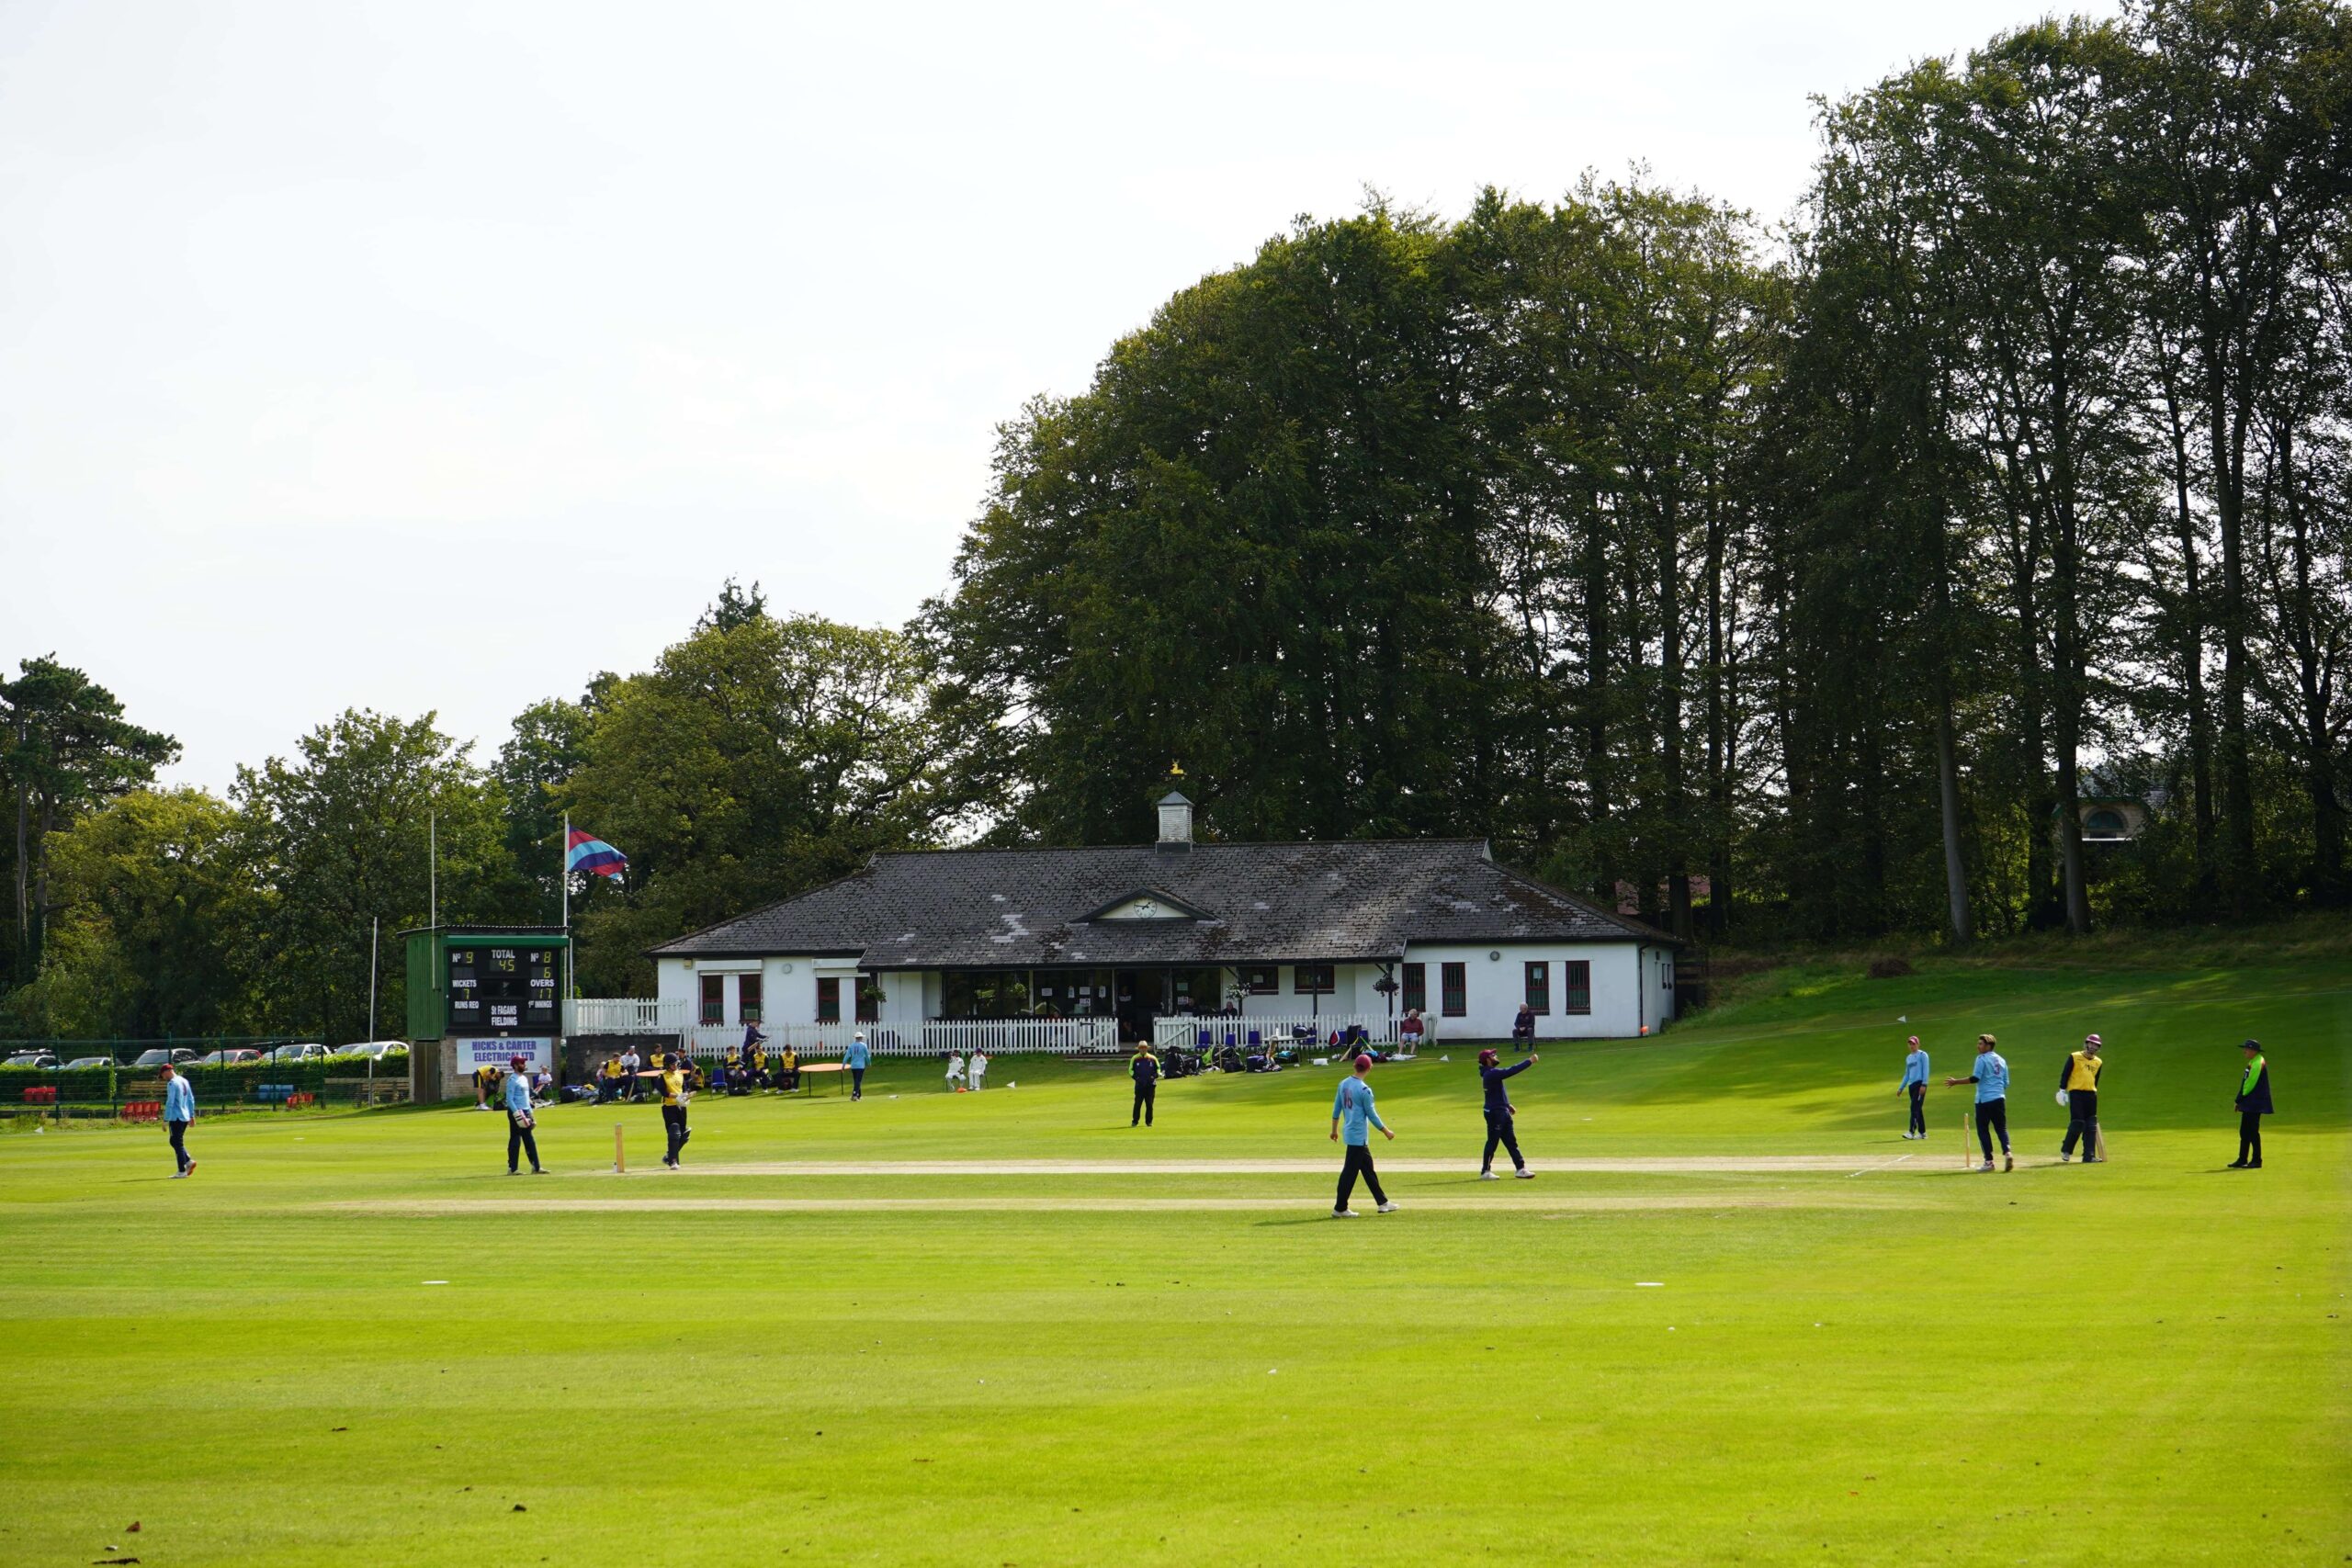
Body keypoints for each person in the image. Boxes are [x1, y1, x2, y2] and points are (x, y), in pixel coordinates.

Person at [1329, 1054, 1397, 1216]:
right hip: (1358, 1137)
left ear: (1354, 1066)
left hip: (1350, 1134)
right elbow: (1372, 1115)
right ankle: (1340, 1208)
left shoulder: (1343, 1084)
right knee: (1349, 1174)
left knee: (1367, 1170)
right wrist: (1386, 1131)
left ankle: (1383, 1202)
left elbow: (1336, 1110)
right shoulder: (1364, 1090)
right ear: (1370, 1068)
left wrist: (1334, 1130)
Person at [1948, 1033, 2012, 1172]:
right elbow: (2006, 1082)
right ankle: (2008, 1153)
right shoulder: (2001, 1060)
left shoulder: (1981, 1059)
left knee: (1983, 1130)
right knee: (2001, 1128)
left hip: (1984, 1100)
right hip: (1999, 1098)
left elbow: (1975, 1078)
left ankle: (1989, 1162)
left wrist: (1956, 1082)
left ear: (1988, 1046)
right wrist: (1996, 1090)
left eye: (1981, 1044)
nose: (1978, 1046)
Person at [1476, 1047, 1537, 1179]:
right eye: (1493, 1055)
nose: (1496, 1056)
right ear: (1488, 1060)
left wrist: (1507, 1105)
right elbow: (1511, 1070)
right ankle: (1485, 1172)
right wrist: (1529, 1061)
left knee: (1511, 1142)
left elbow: (1495, 1093)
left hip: (1501, 1110)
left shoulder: (1491, 1073)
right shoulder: (1491, 1073)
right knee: (1492, 1142)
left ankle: (1520, 1169)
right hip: (1495, 1113)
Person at [2058, 1033, 2105, 1163]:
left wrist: (2094, 1092)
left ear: (2098, 1047)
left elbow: (2096, 1080)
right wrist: (2062, 1090)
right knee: (2078, 1122)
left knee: (2091, 1125)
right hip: (2076, 1093)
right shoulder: (2075, 1057)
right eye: (2091, 1043)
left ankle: (2089, 1156)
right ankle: (2066, 1150)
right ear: (2086, 1044)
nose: (2092, 1047)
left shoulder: (2098, 1062)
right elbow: (2065, 1074)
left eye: (2096, 1045)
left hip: (2091, 1095)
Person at [2230, 1039, 2272, 1169]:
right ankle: (2242, 1158)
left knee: (2252, 1132)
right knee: (2245, 1131)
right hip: (2251, 1102)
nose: (2244, 1051)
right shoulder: (2253, 1061)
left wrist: (2239, 1099)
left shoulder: (2257, 1063)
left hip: (2255, 1102)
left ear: (2253, 1050)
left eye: (2246, 1049)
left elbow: (2249, 1084)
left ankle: (2256, 1160)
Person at [503, 1054, 544, 1175]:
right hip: (516, 1111)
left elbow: (527, 1099)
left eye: (524, 1063)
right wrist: (517, 1114)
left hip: (525, 1111)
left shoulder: (524, 1079)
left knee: (529, 1140)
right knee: (516, 1139)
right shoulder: (512, 1080)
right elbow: (509, 1099)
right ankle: (512, 1168)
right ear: (515, 1066)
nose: (524, 1065)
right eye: (521, 1063)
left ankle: (536, 1167)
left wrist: (531, 1115)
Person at [160, 1061, 197, 1178]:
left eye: (163, 1075)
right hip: (185, 1116)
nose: (163, 1078)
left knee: (178, 1143)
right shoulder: (184, 1080)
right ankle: (188, 1161)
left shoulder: (172, 1083)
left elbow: (170, 1102)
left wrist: (166, 1119)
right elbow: (191, 1099)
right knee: (174, 1141)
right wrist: (191, 1115)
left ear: (167, 1072)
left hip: (176, 1116)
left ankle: (182, 1171)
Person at [659, 1052, 691, 1168]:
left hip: (681, 1107)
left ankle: (669, 1156)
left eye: (676, 1063)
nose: (675, 1065)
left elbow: (685, 1088)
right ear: (667, 1065)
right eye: (673, 1064)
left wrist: (685, 1096)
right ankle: (673, 1161)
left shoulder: (680, 1074)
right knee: (674, 1131)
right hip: (669, 1107)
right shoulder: (662, 1076)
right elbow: (663, 1092)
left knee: (684, 1134)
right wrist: (676, 1096)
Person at [1897, 1036, 1930, 1140]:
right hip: (1911, 1086)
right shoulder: (1908, 1058)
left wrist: (1924, 1084)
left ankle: (1911, 1132)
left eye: (1913, 1044)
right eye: (1910, 1044)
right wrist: (1901, 1088)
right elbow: (1907, 1074)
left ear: (1918, 1044)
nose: (1912, 1046)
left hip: (1920, 1084)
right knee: (1917, 1109)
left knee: (1914, 1108)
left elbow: (1926, 1070)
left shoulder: (1922, 1055)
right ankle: (1923, 1133)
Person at [1130, 1043, 1159, 1127]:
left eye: (1144, 1048)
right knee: (1137, 1104)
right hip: (1139, 1085)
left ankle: (1149, 1122)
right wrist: (1137, 1078)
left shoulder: (1153, 1058)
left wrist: (1153, 1076)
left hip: (1150, 1085)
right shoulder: (1135, 1058)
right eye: (1141, 1048)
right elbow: (1130, 1070)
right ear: (1139, 1049)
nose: (1143, 1049)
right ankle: (1135, 1121)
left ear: (1147, 1048)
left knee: (1149, 1104)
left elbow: (1158, 1069)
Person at [845, 1032, 871, 1100]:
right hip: (860, 1066)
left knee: (856, 1080)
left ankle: (859, 1095)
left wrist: (843, 1065)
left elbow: (847, 1056)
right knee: (858, 1080)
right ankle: (854, 1095)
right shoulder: (863, 1045)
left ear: (856, 1038)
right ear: (861, 1038)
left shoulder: (851, 1046)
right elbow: (867, 1056)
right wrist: (869, 1063)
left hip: (853, 1066)